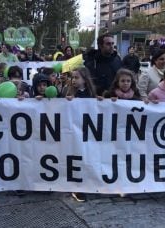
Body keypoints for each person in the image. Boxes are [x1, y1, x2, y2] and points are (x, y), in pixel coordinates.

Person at [65, 67, 96, 202]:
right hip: (74, 133)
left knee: (86, 159)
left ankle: (86, 183)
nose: (74, 80)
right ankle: (77, 188)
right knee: (75, 158)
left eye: (77, 77)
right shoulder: (69, 94)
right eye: (72, 77)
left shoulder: (91, 93)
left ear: (84, 79)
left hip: (87, 132)